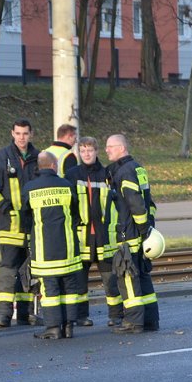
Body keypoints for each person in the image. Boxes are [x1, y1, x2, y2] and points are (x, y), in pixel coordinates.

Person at [20, 152, 85, 339]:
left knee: (50, 290)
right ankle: (69, 326)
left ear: (39, 167)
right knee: (70, 288)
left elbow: (26, 218)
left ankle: (53, 327)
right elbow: (75, 213)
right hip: (68, 247)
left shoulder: (30, 188)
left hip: (44, 249)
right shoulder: (66, 185)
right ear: (54, 165)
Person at [65, 136, 123, 327]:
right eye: (82, 151)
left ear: (96, 151)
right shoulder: (72, 174)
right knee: (80, 282)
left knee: (110, 280)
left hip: (104, 236)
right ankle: (81, 316)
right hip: (81, 237)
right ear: (79, 153)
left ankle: (115, 315)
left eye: (90, 150)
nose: (86, 154)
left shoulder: (108, 173)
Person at [105, 134, 159, 333]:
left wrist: (141, 229)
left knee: (127, 277)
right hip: (142, 233)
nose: (107, 150)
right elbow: (149, 203)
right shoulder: (138, 167)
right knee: (143, 277)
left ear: (121, 148)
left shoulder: (125, 172)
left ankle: (133, 322)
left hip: (130, 233)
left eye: (110, 146)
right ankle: (150, 320)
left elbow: (135, 204)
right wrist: (147, 230)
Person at [0, 118, 41, 328]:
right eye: (18, 133)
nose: (21, 137)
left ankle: (26, 313)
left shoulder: (39, 157)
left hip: (32, 225)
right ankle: (3, 314)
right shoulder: (2, 157)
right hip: (10, 225)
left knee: (28, 270)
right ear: (12, 133)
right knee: (8, 270)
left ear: (31, 134)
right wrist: (4, 207)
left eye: (25, 134)